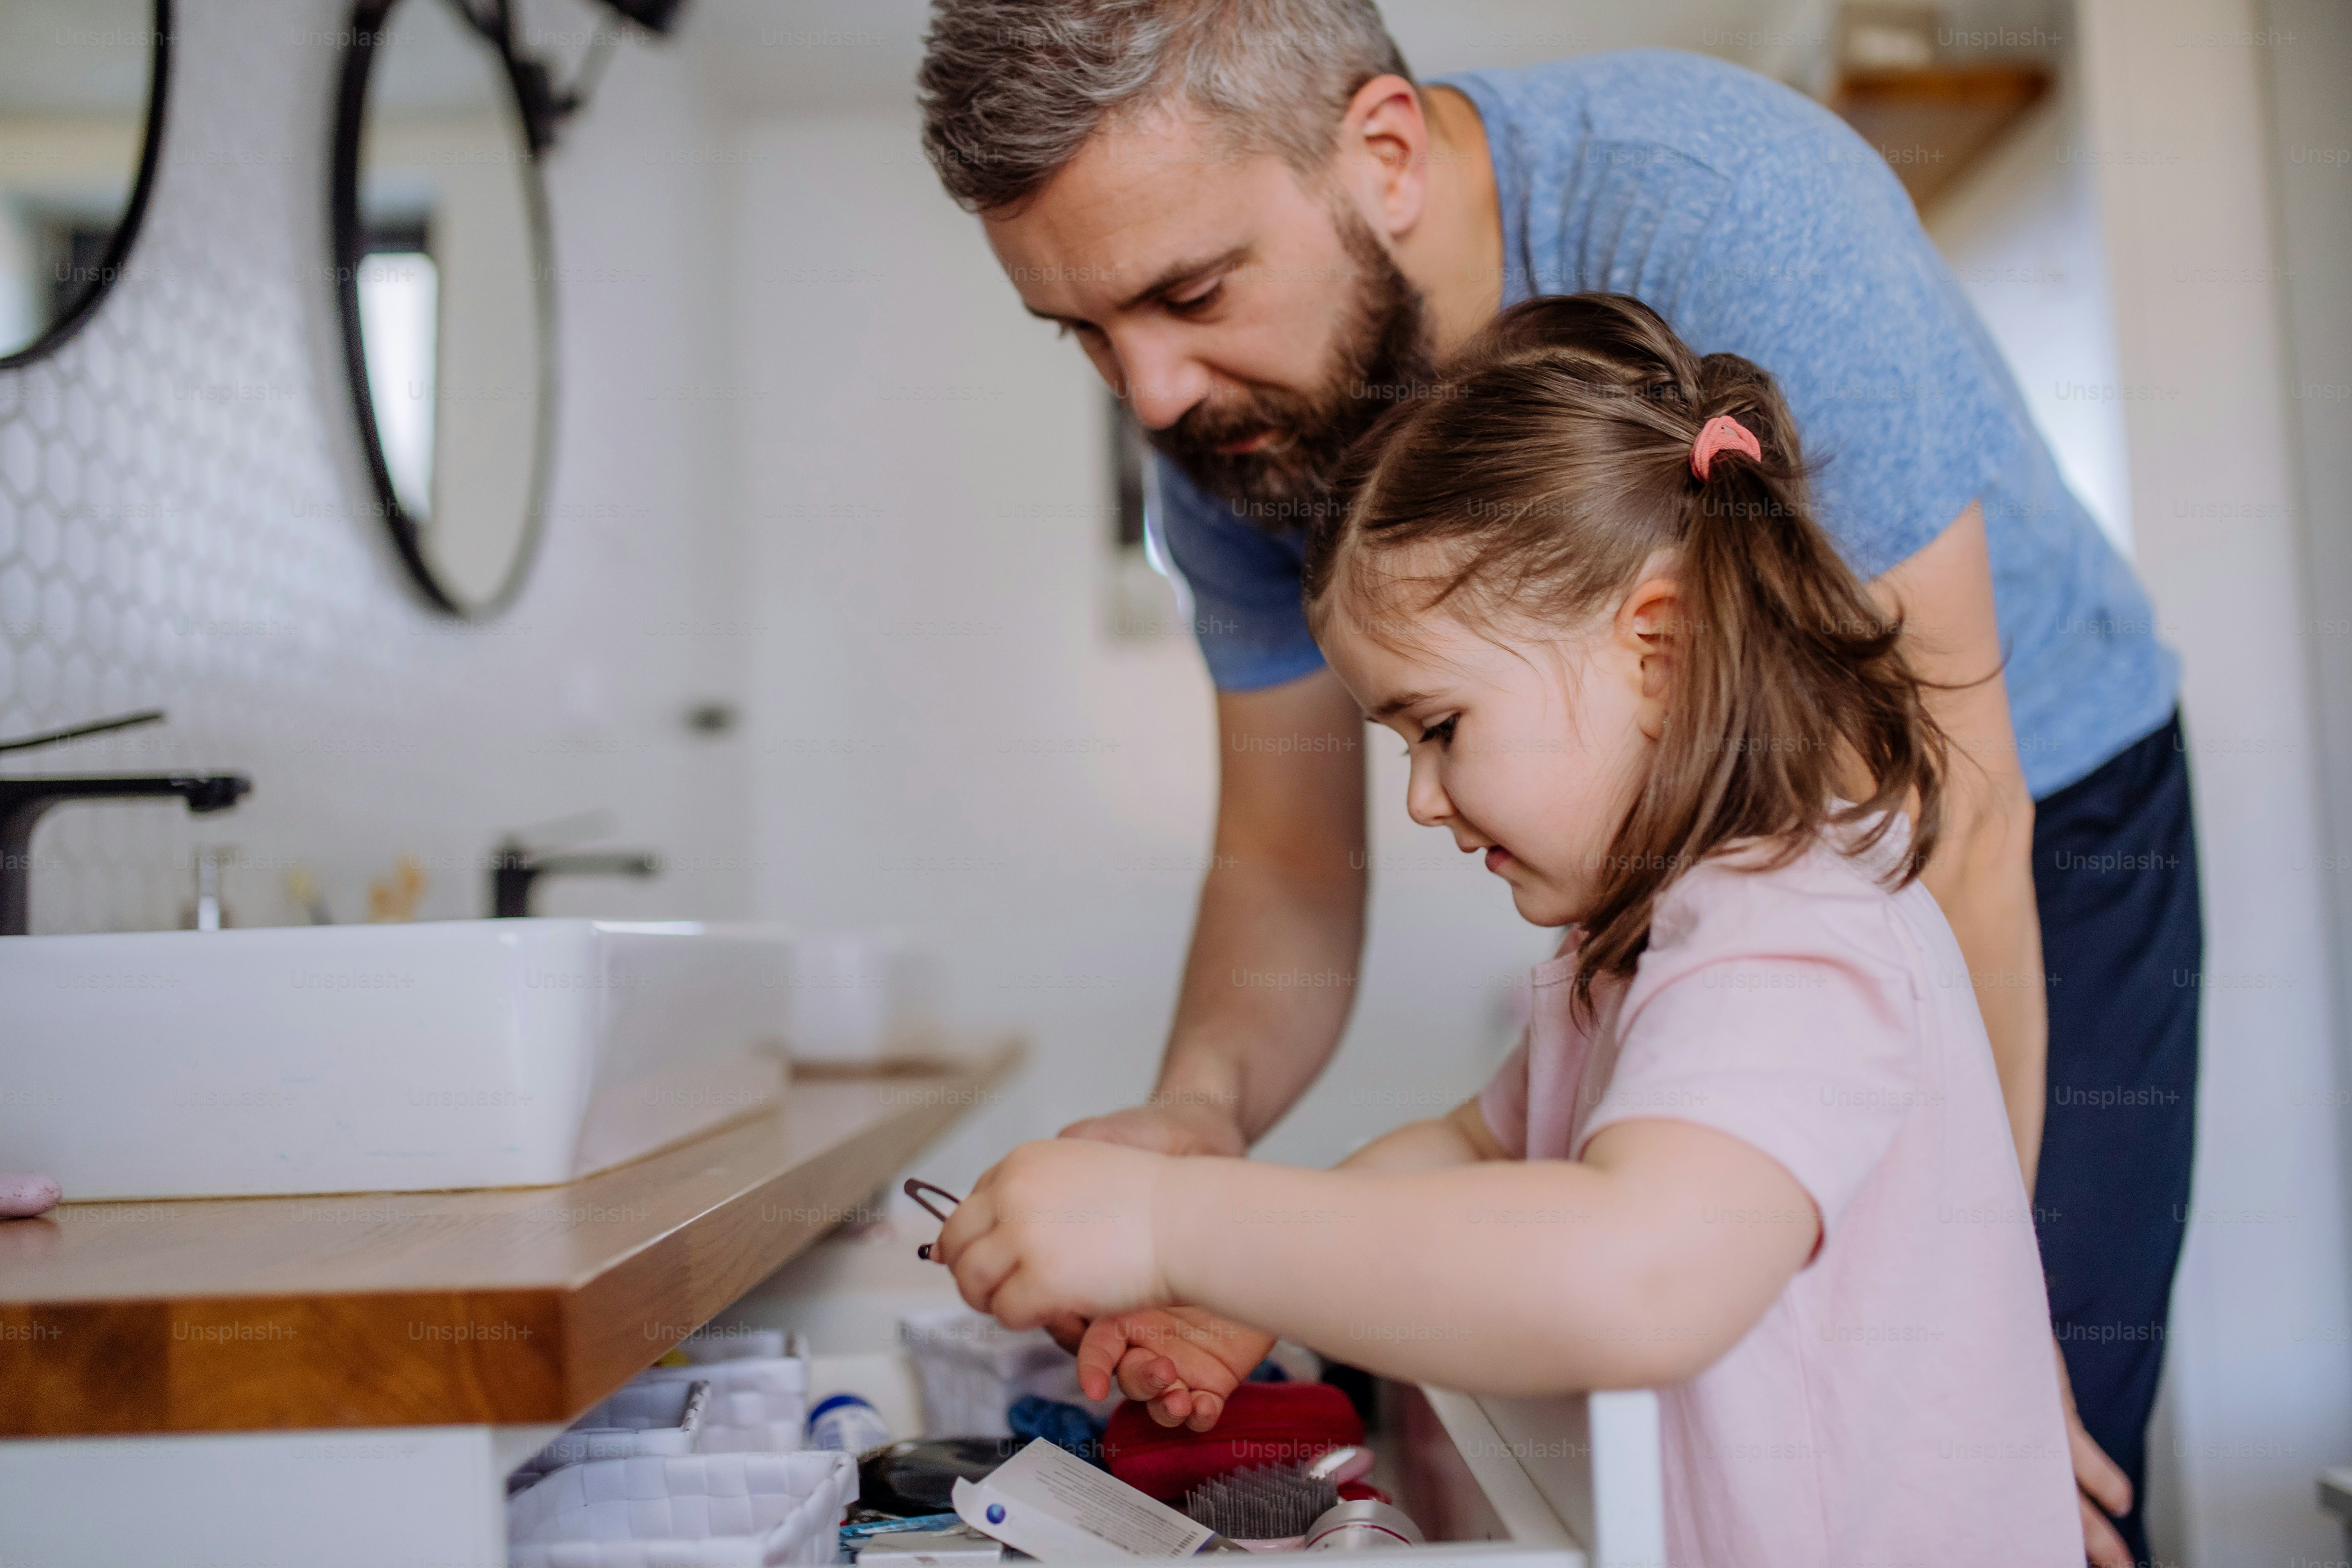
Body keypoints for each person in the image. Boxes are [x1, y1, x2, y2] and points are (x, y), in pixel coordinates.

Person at [917, 7, 2198, 1560]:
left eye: (1188, 293)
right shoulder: (1616, 943)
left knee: (2036, 1436)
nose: (1154, 396)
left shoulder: (1722, 205)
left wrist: (2002, 1334)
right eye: (1085, 334)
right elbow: (1296, 876)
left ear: (1384, 154)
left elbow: (1959, 822)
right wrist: (1203, 1161)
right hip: (1767, 874)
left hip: (2011, 787)